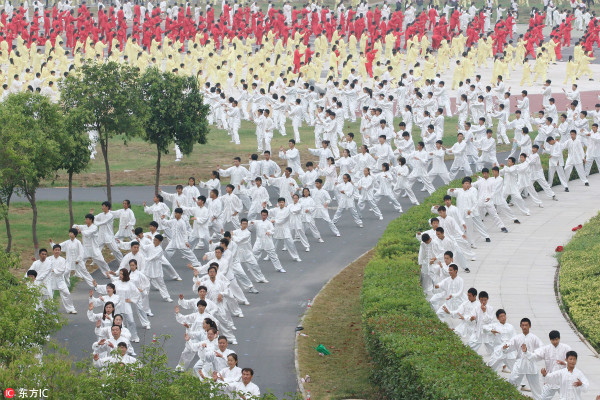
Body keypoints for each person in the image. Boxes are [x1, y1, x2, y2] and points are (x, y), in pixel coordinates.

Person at [505, 318, 544, 399]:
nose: (524, 327)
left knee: (536, 387)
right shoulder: (517, 338)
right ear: (520, 326)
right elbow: (509, 345)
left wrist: (533, 355)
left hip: (531, 363)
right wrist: (505, 347)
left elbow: (541, 348)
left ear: (529, 326)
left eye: (526, 325)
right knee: (512, 381)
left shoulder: (534, 338)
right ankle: (512, 397)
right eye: (522, 325)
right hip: (519, 363)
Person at [535, 330, 572, 400]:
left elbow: (572, 361)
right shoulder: (546, 349)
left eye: (556, 339)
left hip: (563, 380)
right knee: (543, 398)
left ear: (559, 338)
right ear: (550, 339)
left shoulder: (566, 348)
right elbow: (535, 355)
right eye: (553, 340)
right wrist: (526, 353)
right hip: (550, 379)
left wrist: (565, 363)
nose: (555, 342)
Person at [142, 234, 173, 302]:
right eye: (154, 240)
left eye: (156, 240)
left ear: (159, 241)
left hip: (156, 269)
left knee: (161, 283)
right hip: (148, 268)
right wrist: (139, 241)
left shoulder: (160, 250)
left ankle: (167, 297)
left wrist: (146, 259)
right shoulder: (150, 246)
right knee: (146, 283)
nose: (154, 241)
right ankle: (144, 296)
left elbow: (154, 257)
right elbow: (144, 248)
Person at [486, 309, 518, 373]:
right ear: (498, 318)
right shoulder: (494, 326)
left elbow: (514, 337)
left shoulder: (510, 327)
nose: (503, 318)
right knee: (492, 364)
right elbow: (484, 328)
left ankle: (519, 381)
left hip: (508, 349)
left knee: (515, 368)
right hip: (499, 349)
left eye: (504, 316)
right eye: (501, 316)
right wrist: (491, 330)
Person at [49, 244, 77, 314]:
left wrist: (53, 270)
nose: (57, 251)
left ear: (60, 251)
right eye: (56, 250)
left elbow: (62, 270)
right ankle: (48, 310)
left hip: (60, 280)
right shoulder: (48, 259)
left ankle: (70, 309)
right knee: (49, 295)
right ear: (53, 251)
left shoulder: (62, 259)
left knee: (66, 293)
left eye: (58, 250)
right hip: (51, 279)